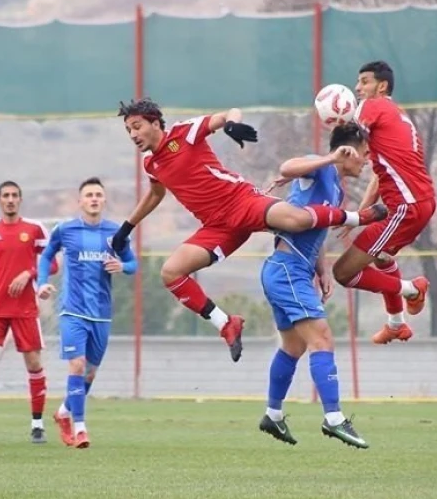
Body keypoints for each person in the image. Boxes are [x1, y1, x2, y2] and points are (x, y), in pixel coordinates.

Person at [109, 98, 388, 363]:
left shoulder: (184, 133)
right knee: (170, 272)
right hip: (217, 227)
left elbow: (229, 113)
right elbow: (155, 194)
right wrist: (126, 228)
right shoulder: (151, 164)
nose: (132, 134)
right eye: (128, 130)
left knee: (298, 220)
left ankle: (357, 217)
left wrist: (231, 125)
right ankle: (226, 323)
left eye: (137, 126)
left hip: (240, 201)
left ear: (155, 123)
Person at [259, 123, 371, 449]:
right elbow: (287, 168)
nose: (365, 161)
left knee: (294, 347)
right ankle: (334, 419)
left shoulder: (334, 186)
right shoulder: (320, 169)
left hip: (290, 271)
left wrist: (321, 268)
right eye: (363, 154)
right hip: (287, 271)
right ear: (347, 150)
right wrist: (329, 157)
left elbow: (315, 227)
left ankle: (273, 415)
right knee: (322, 339)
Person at [331, 60, 437, 345]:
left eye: (364, 81)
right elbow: (381, 174)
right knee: (382, 257)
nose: (357, 88)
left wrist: (336, 124)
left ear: (382, 86)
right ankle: (396, 323)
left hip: (406, 207)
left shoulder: (372, 107)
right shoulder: (398, 116)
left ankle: (412, 289)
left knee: (342, 272)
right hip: (420, 203)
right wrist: (362, 213)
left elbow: (350, 141)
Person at [37, 177, 137, 448]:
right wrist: (42, 282)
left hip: (102, 314)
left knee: (89, 374)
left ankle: (63, 413)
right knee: (77, 365)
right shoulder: (66, 229)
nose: (94, 199)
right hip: (72, 311)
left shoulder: (115, 233)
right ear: (80, 201)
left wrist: (122, 266)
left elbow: (133, 263)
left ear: (104, 200)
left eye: (98, 195)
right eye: (89, 195)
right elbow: (46, 256)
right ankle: (80, 428)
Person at [0, 181, 60, 445]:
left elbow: (52, 262)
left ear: (20, 200)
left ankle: (37, 425)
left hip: (25, 308)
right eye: (5, 195)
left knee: (34, 365)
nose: (10, 199)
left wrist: (29, 273)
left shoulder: (34, 229)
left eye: (15, 195)